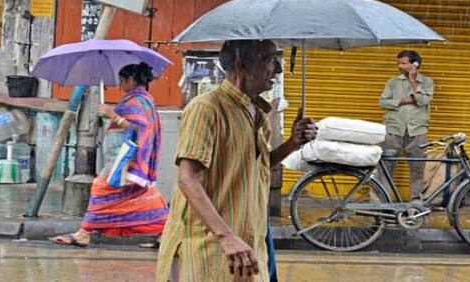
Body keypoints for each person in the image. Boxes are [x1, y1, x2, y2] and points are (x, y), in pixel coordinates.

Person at [156, 40, 318, 281]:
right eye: (269, 60)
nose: (278, 69)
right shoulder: (206, 108)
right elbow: (188, 180)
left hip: (248, 246)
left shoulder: (256, 112)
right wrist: (226, 237)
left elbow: (255, 167)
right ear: (243, 64)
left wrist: (293, 143)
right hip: (208, 248)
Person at [50, 63, 169, 247]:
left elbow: (141, 128)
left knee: (100, 187)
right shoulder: (137, 99)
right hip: (120, 156)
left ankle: (84, 233)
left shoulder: (138, 101)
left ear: (131, 80)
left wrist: (113, 115)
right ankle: (166, 231)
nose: (120, 85)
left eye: (122, 80)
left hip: (125, 158)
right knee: (140, 195)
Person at [378, 50, 434, 201]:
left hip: (417, 132)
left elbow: (423, 101)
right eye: (399, 63)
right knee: (385, 169)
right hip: (393, 131)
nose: (399, 66)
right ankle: (382, 206)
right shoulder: (392, 82)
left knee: (417, 171)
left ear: (415, 64)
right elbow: (382, 102)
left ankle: (414, 208)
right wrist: (401, 101)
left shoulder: (427, 82)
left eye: (403, 63)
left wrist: (413, 80)